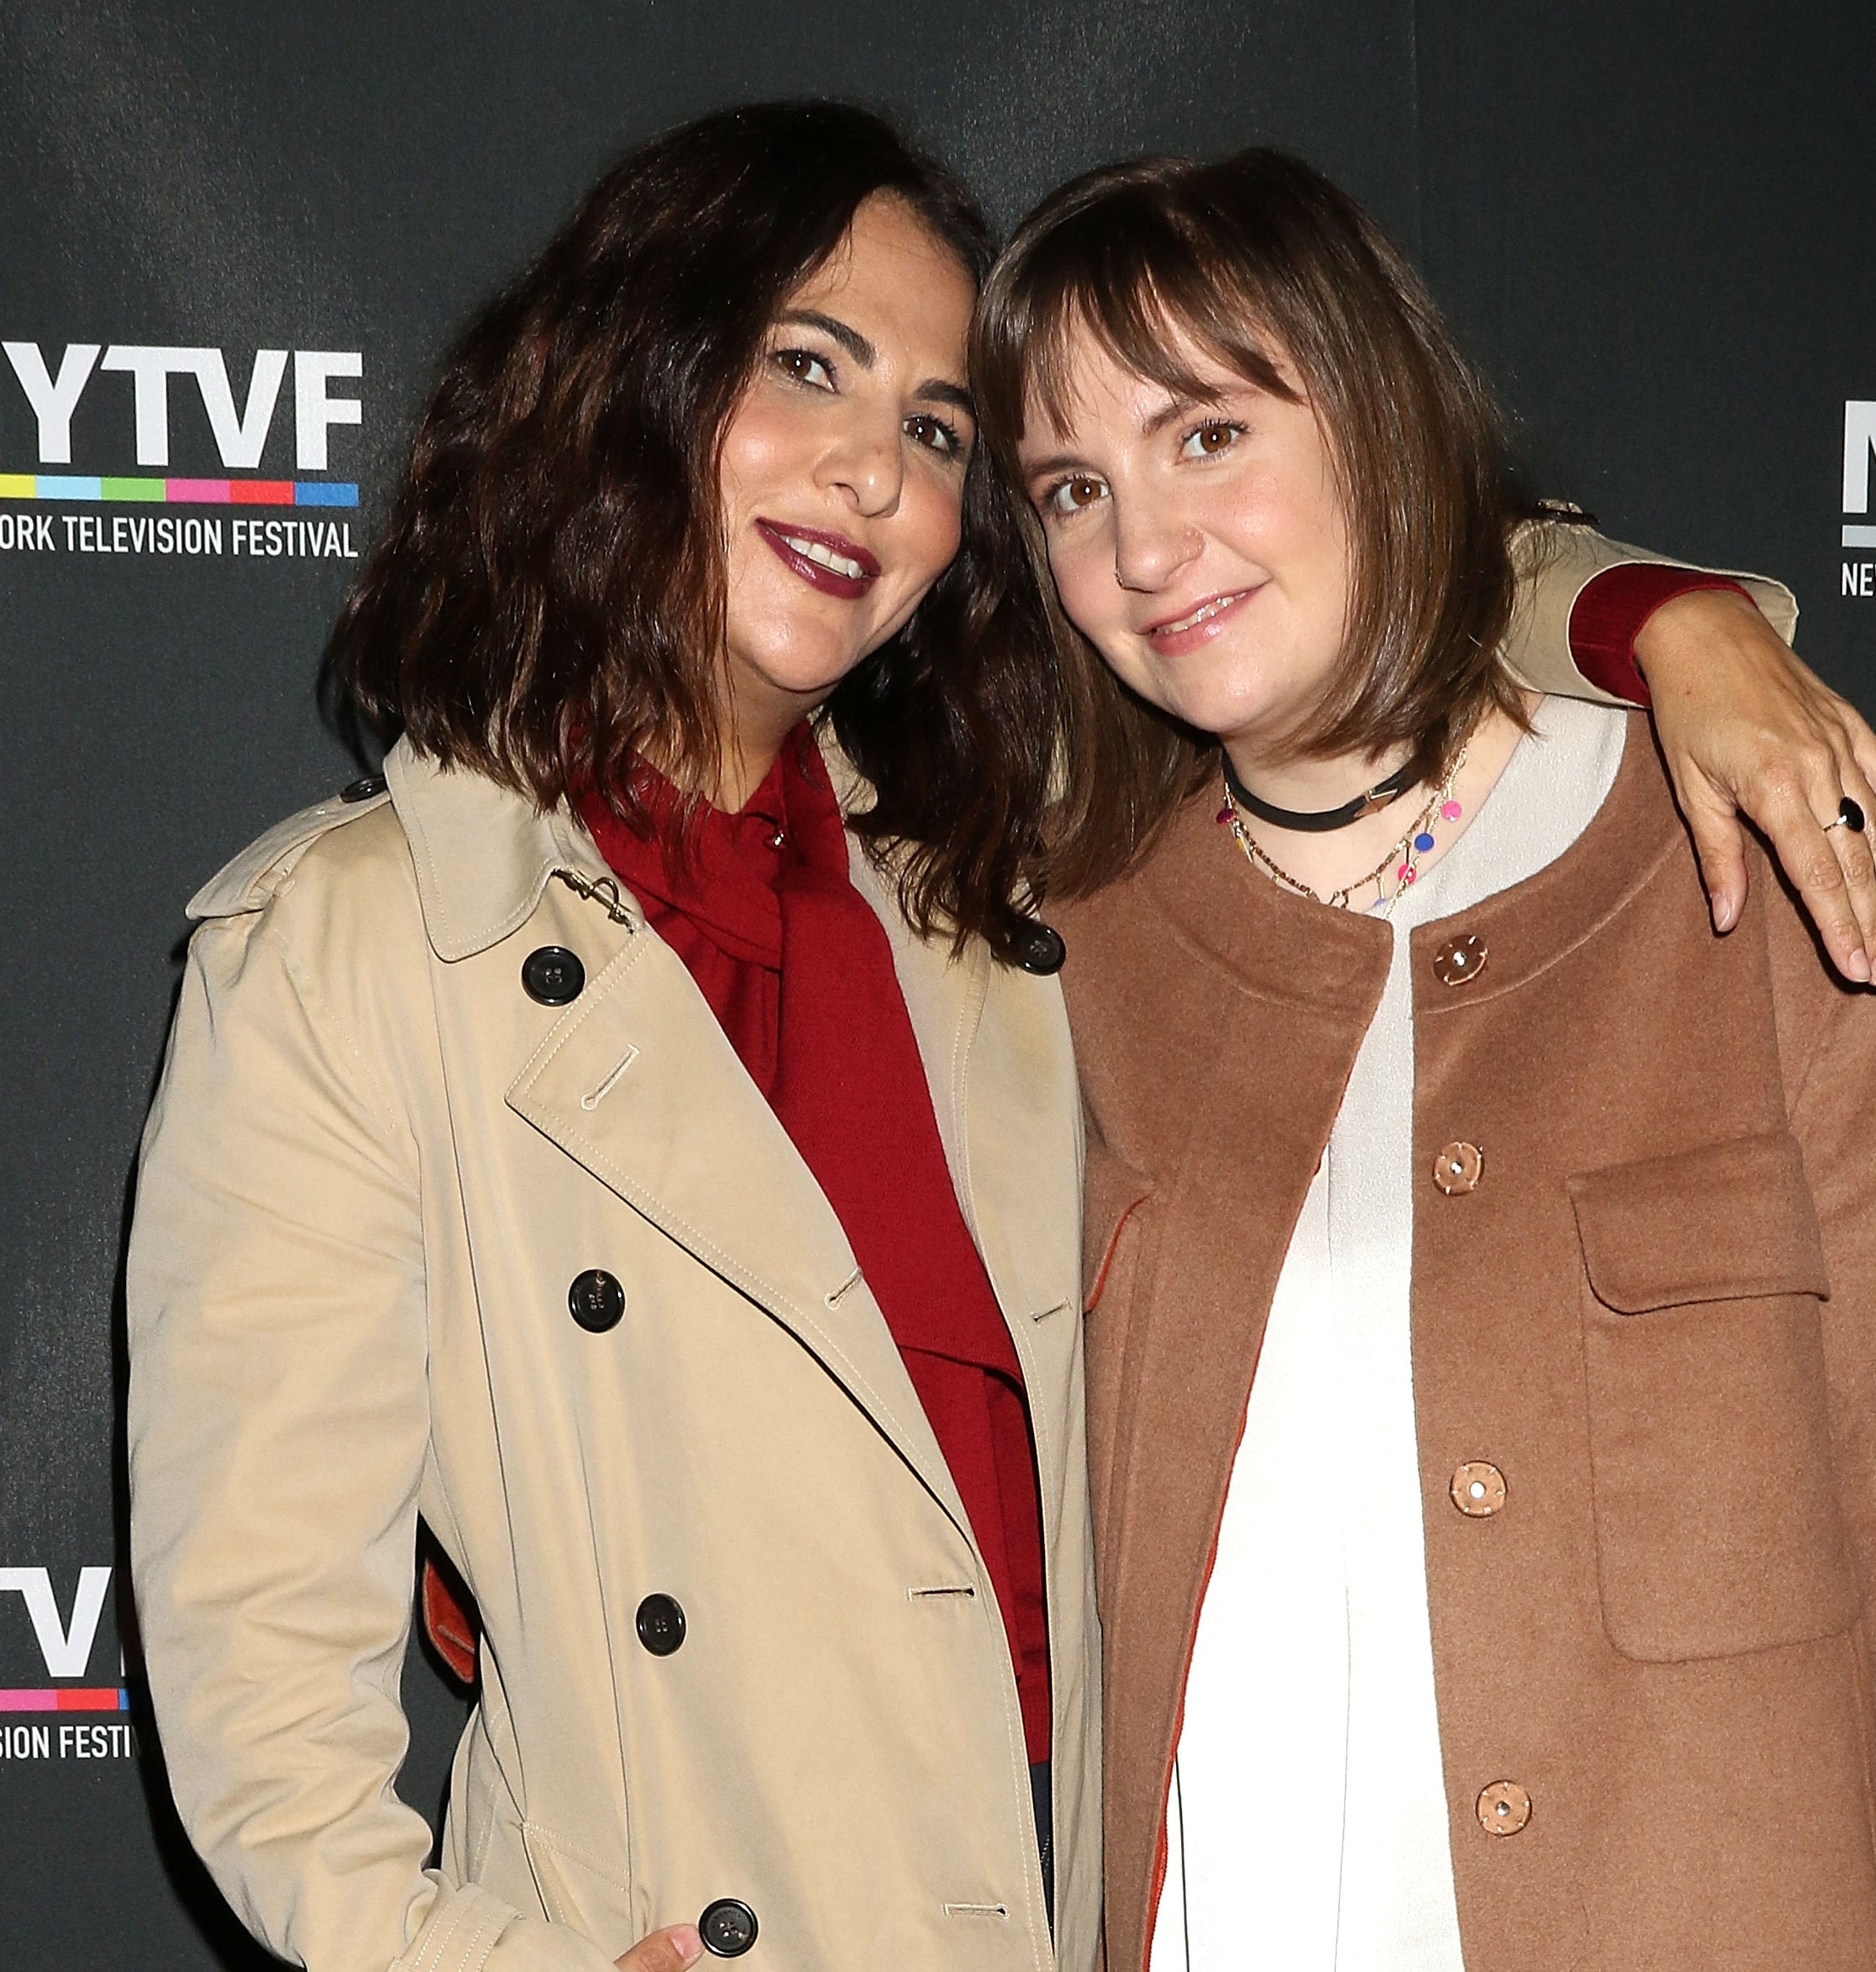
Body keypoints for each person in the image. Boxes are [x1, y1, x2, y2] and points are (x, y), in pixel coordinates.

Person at [127, 99, 1860, 1972]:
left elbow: (1344, 569)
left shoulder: (997, 880)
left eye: (939, 431)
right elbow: (260, 1692)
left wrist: (1669, 622)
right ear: (636, 371)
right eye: (808, 366)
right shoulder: (358, 944)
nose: (872, 470)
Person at [974, 145, 1876, 1972]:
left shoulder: (1743, 851)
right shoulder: (1055, 943)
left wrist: (1659, 612)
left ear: (1373, 410)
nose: (1143, 551)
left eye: (1208, 434)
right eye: (1075, 487)